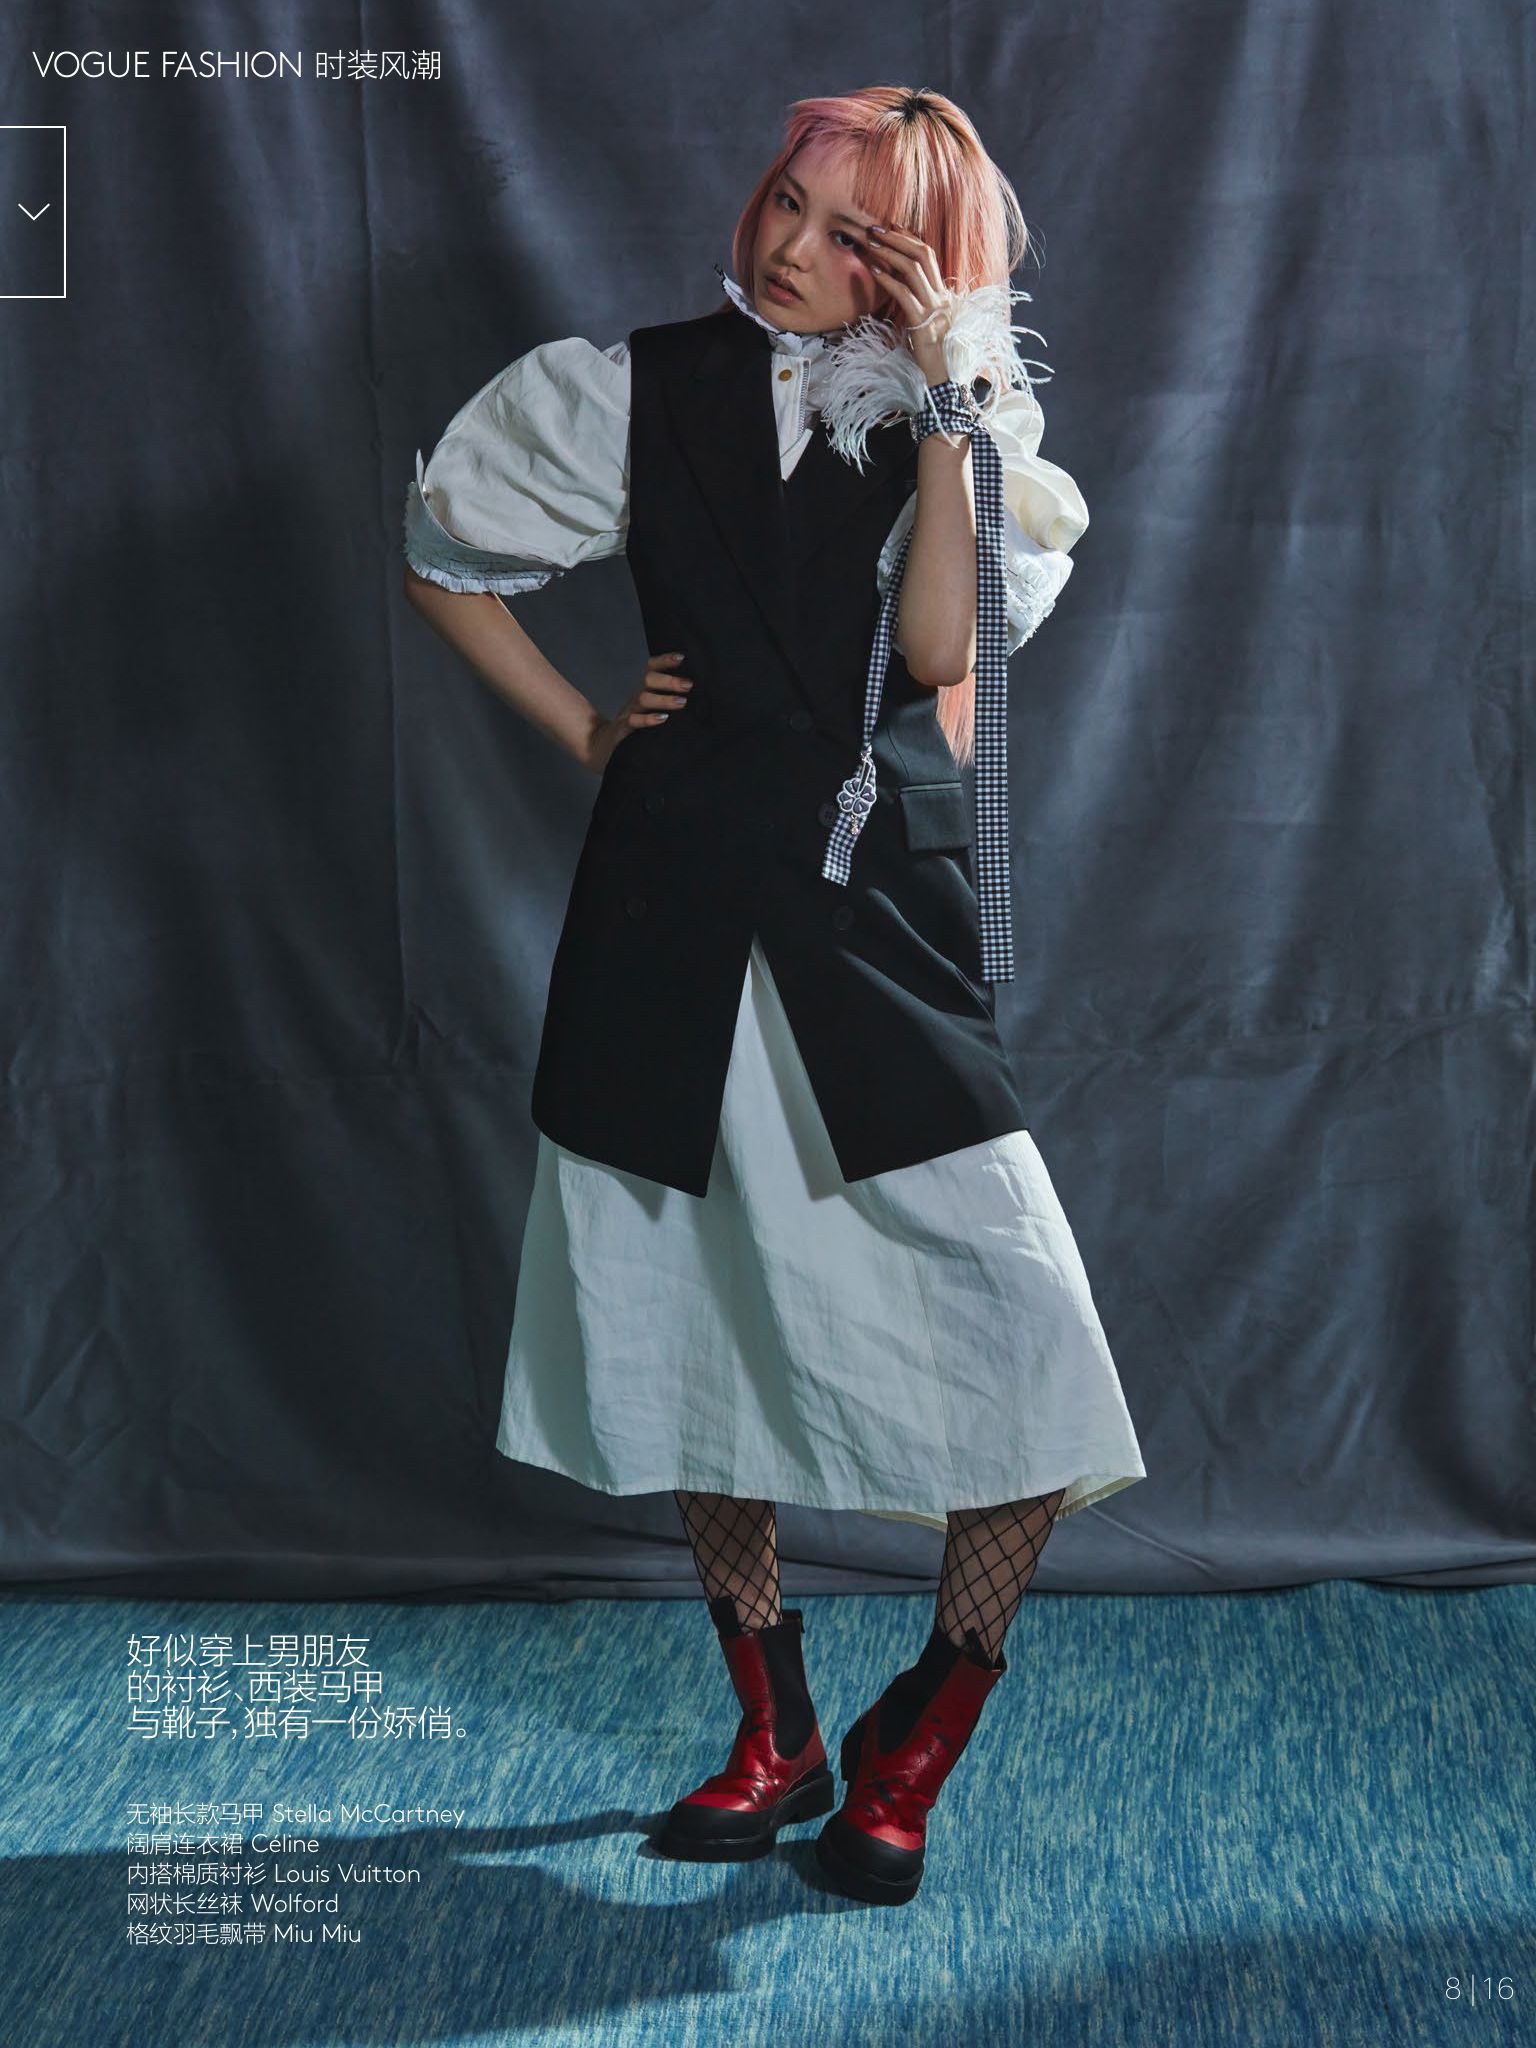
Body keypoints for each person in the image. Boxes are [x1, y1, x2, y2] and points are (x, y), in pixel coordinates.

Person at [403, 84, 1146, 1909]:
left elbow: (942, 650)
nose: (790, 250)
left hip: (867, 923)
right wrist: (590, 727)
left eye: (848, 233)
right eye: (784, 206)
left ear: (925, 266)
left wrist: (953, 401)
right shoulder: (637, 387)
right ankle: (775, 1731)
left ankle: (924, 1733)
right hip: (662, 911)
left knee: (1028, 1337)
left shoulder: (966, 417)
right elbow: (443, 547)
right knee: (683, 1330)